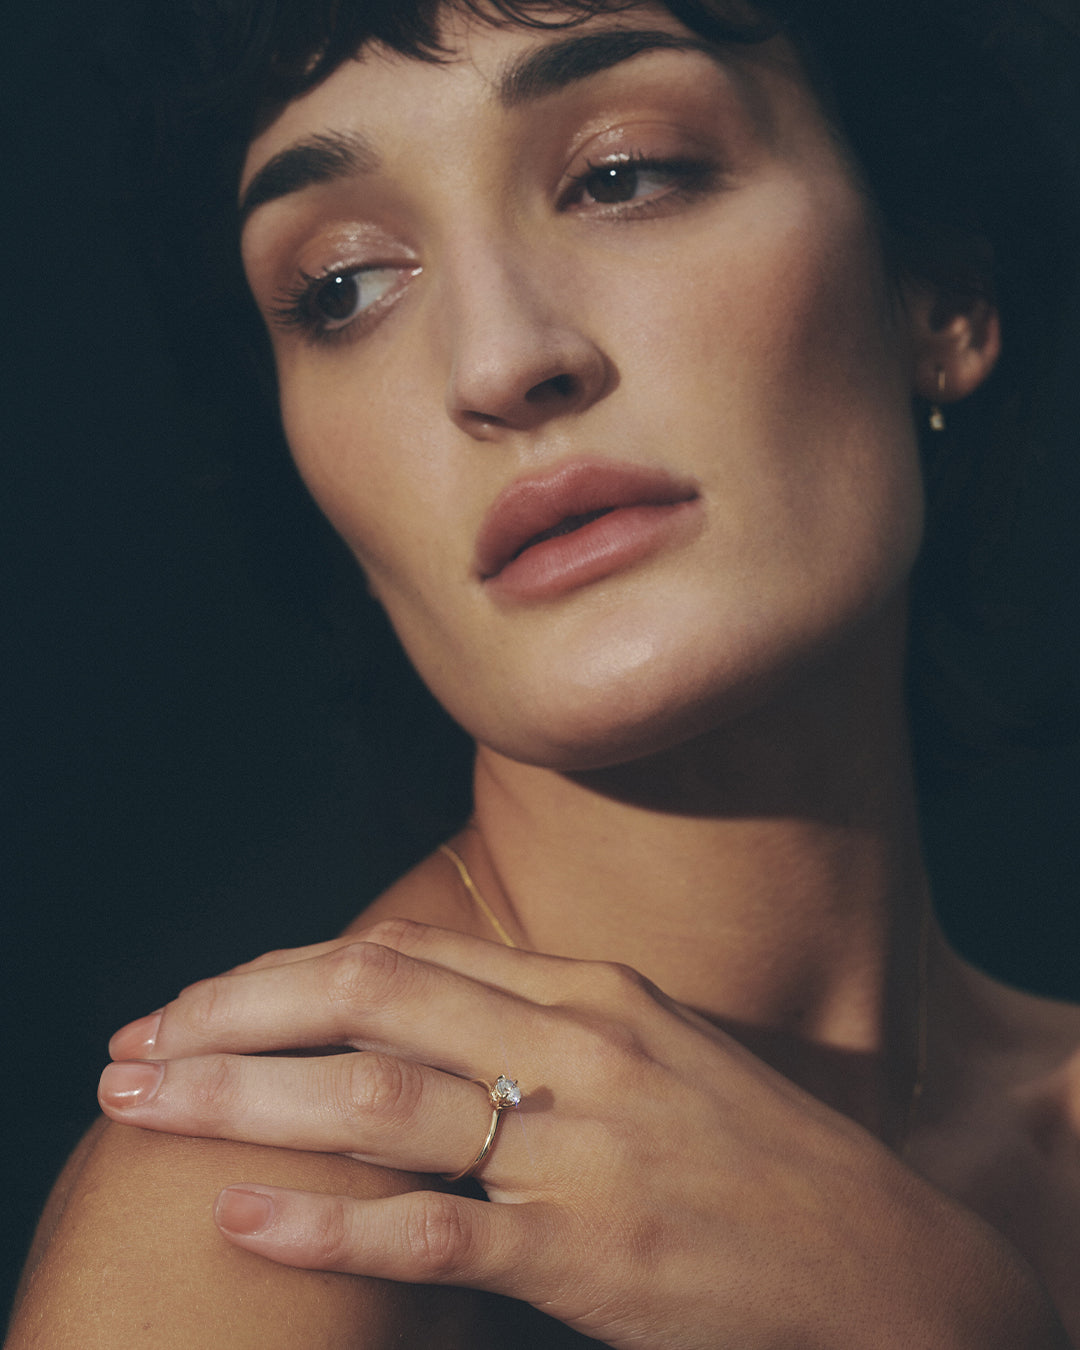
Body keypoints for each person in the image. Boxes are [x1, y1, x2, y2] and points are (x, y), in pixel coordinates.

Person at [7, 0, 1080, 1345]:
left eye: (622, 176)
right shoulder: (272, 1205)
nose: (500, 361)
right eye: (344, 286)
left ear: (940, 295)